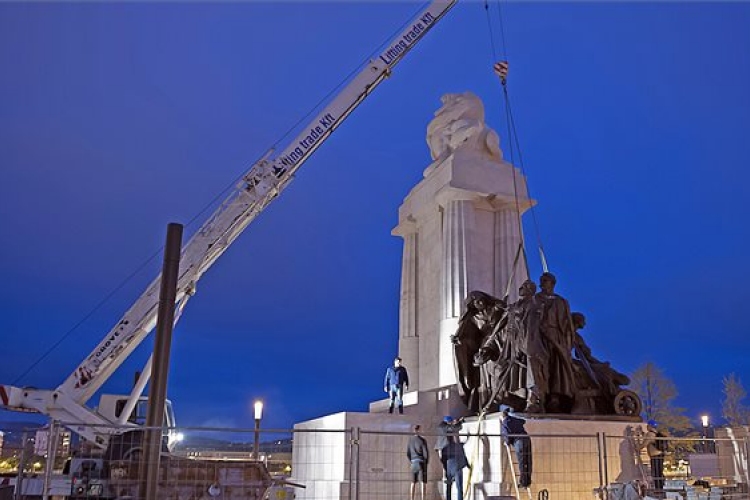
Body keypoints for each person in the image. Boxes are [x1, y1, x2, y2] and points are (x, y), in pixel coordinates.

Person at [534, 272, 576, 413]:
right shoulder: (536, 299)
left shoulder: (561, 302)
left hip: (556, 337)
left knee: (557, 368)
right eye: (541, 281)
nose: (542, 284)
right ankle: (539, 396)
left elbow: (567, 325)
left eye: (545, 281)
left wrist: (567, 343)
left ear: (552, 283)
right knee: (541, 367)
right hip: (539, 337)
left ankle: (555, 396)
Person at [499, 406, 532, 488]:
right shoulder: (514, 419)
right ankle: (528, 481)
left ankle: (523, 482)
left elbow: (507, 437)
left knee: (522, 462)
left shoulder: (504, 424)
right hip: (526, 438)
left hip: (519, 442)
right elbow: (523, 421)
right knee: (528, 461)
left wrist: (507, 443)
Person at [440, 431, 469, 500]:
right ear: (453, 437)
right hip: (457, 467)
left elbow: (443, 460)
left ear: (447, 438)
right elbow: (463, 456)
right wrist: (467, 465)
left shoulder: (444, 448)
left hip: (449, 468)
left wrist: (446, 470)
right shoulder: (458, 446)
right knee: (459, 488)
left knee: (449, 488)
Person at [406, 424, 429, 500]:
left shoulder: (410, 440)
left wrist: (412, 461)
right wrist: (426, 462)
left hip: (413, 463)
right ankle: (423, 498)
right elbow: (426, 454)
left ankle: (411, 498)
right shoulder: (422, 440)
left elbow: (408, 453)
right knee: (423, 482)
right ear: (419, 430)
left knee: (413, 482)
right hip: (421, 463)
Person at [643, 420, 666, 493]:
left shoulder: (650, 434)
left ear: (650, 426)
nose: (646, 427)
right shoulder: (657, 433)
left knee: (656, 473)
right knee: (659, 472)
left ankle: (658, 489)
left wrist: (637, 448)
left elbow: (644, 444)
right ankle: (661, 488)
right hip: (660, 455)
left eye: (647, 425)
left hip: (655, 456)